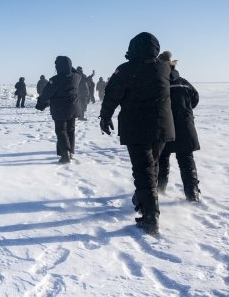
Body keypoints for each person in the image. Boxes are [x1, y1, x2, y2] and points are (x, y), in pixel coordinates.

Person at [99, 32, 175, 237]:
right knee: (153, 165)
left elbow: (112, 95)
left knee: (143, 170)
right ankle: (146, 199)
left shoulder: (126, 69)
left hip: (138, 126)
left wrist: (105, 117)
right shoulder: (164, 68)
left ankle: (151, 216)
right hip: (162, 126)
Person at [157, 51, 202, 203]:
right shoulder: (184, 82)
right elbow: (195, 99)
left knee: (162, 158)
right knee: (187, 160)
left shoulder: (159, 82)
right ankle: (193, 194)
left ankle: (159, 190)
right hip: (185, 126)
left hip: (165, 127)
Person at [36, 56, 83, 163]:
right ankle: (70, 153)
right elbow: (77, 71)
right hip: (74, 108)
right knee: (71, 130)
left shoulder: (55, 80)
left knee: (61, 130)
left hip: (60, 109)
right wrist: (70, 67)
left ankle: (65, 154)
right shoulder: (76, 77)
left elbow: (46, 94)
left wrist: (40, 105)